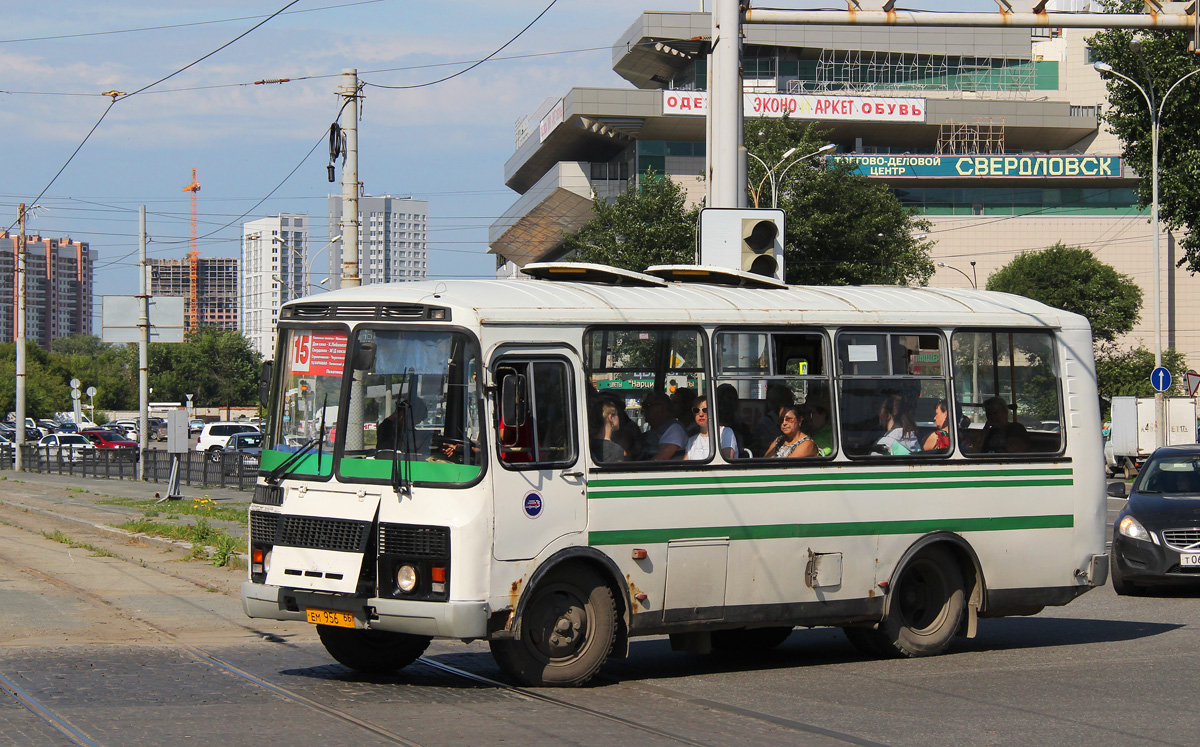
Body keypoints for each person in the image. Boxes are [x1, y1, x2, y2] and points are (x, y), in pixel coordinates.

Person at [684, 395, 737, 460]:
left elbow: (725, 462)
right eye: (696, 410)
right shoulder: (691, 440)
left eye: (705, 410)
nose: (700, 414)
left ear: (714, 411)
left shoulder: (725, 432)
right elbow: (685, 466)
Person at [639, 392, 687, 460]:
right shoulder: (655, 429)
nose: (643, 410)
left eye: (647, 406)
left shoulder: (675, 429)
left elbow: (659, 460)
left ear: (662, 408)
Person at [754, 383, 795, 455]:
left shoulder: (793, 420)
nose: (791, 403)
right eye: (788, 400)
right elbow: (765, 444)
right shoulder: (765, 423)